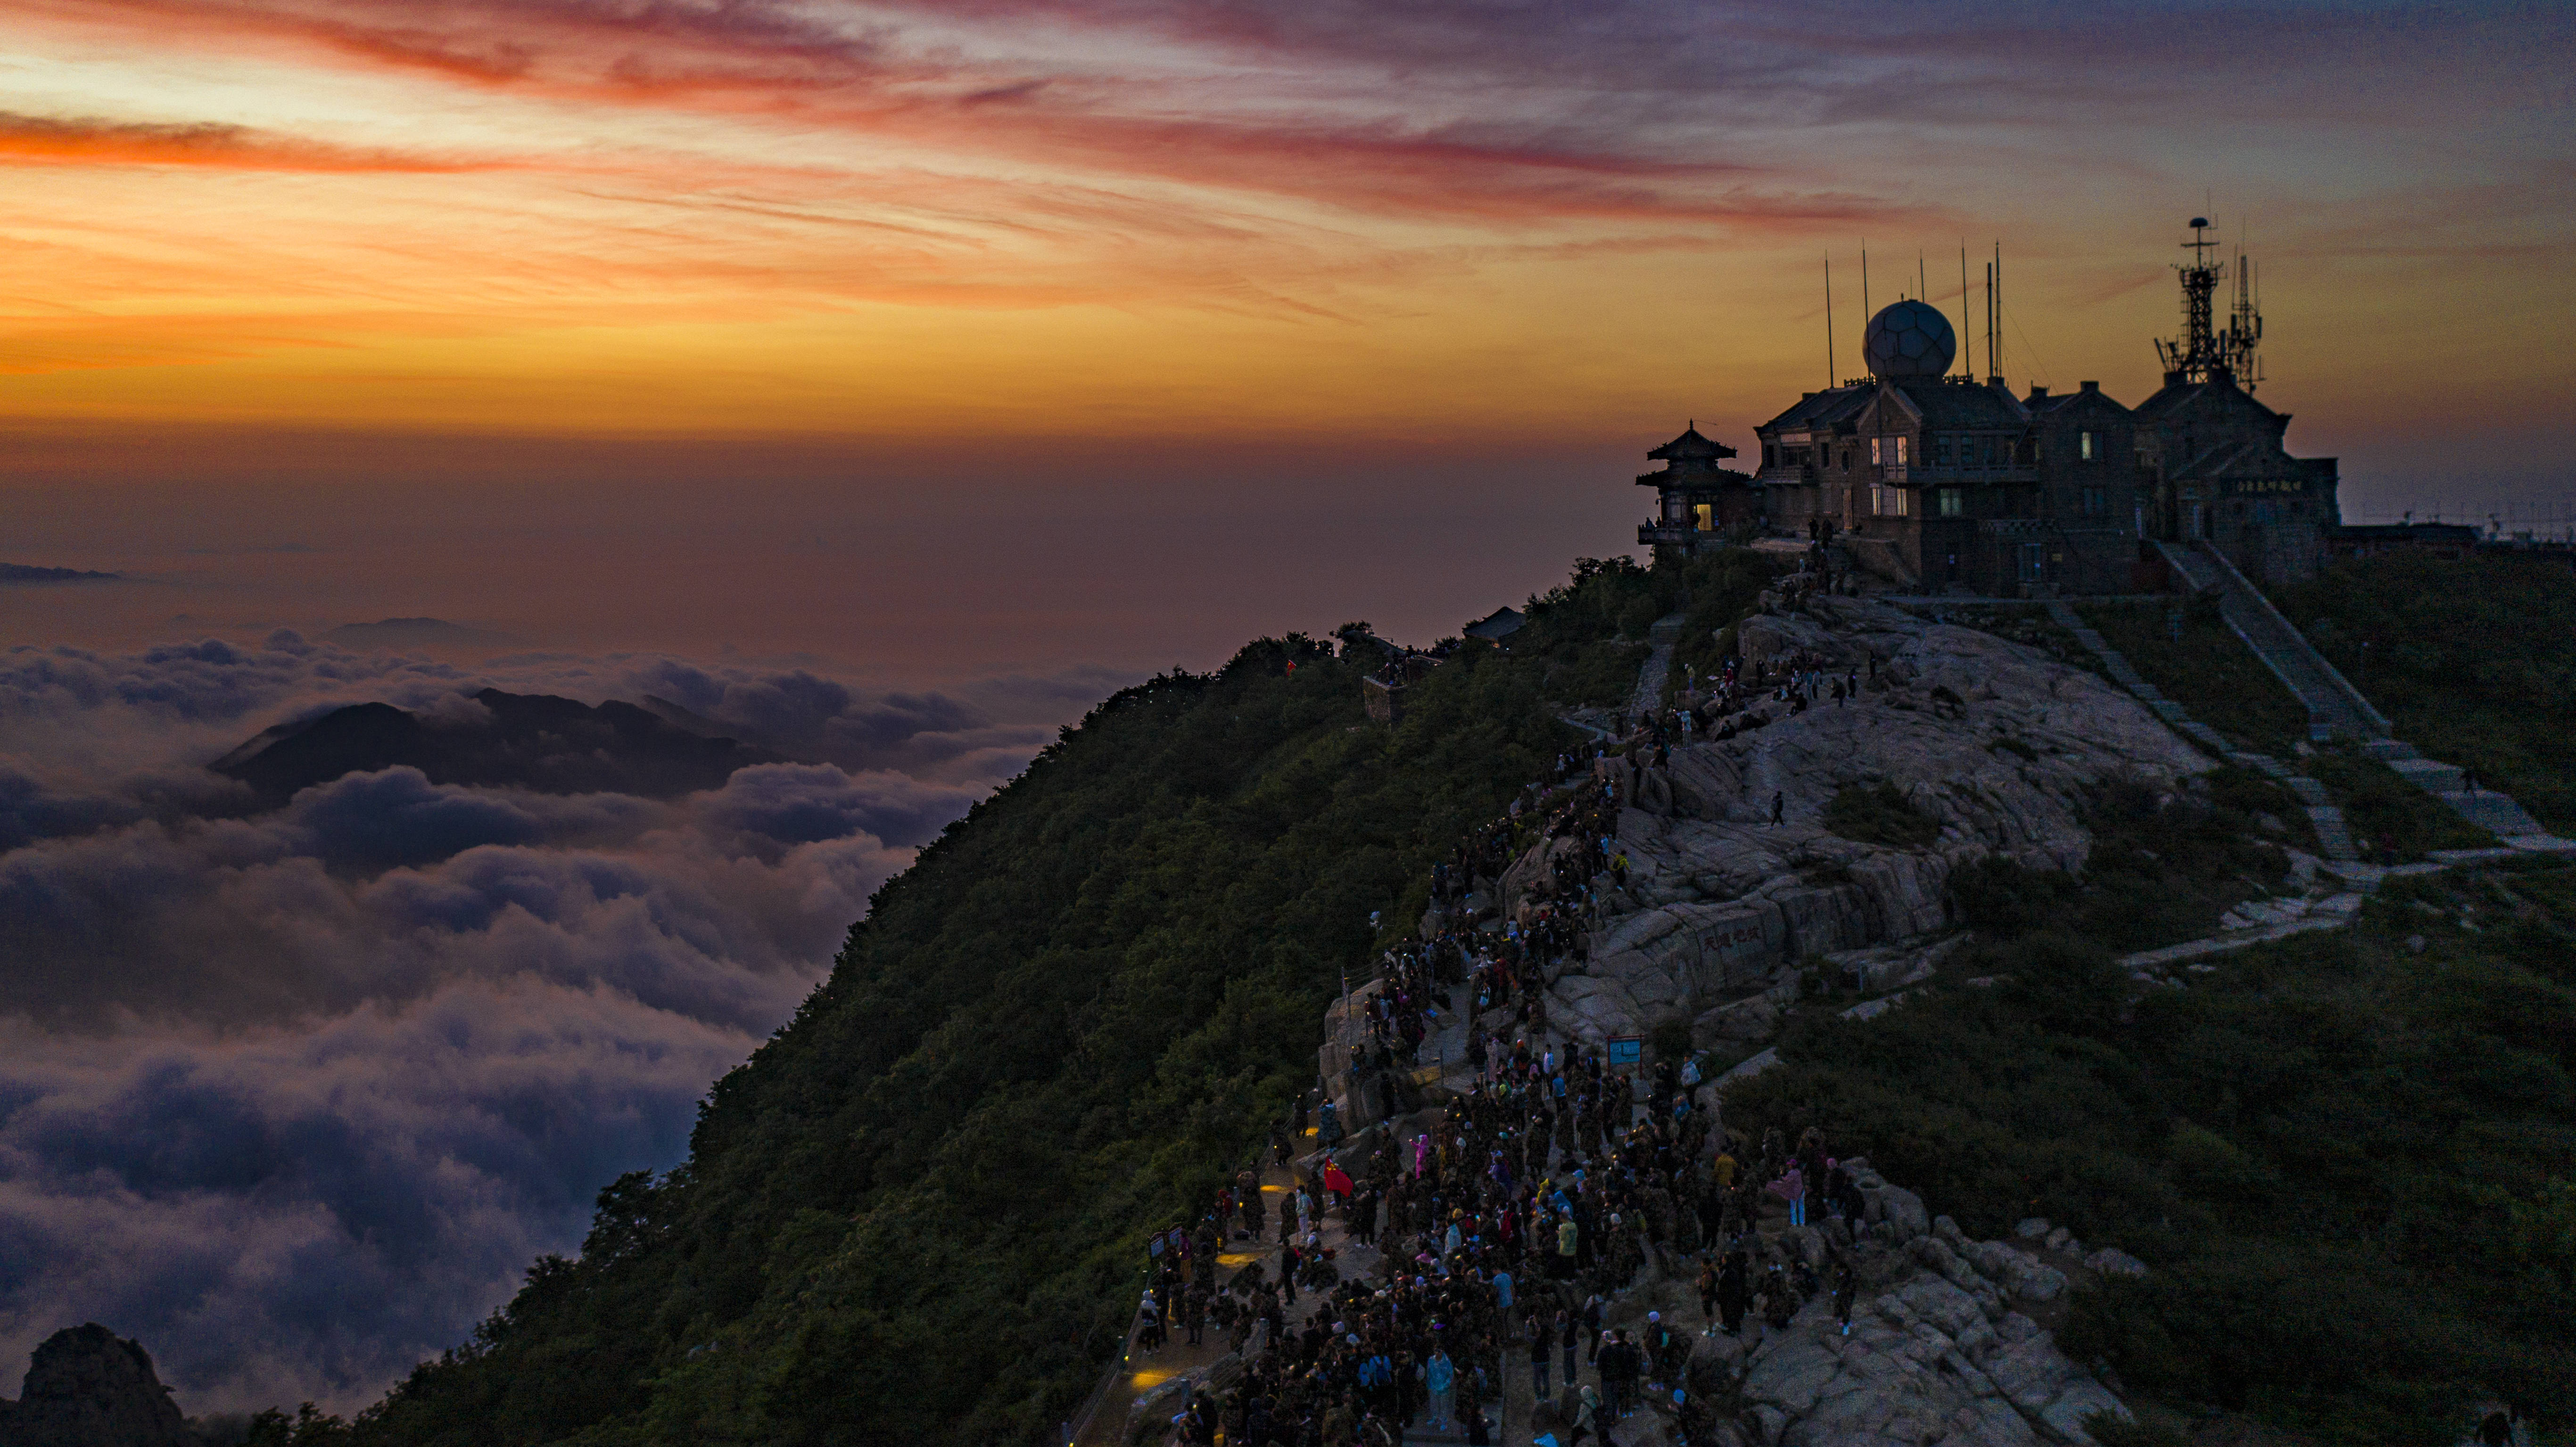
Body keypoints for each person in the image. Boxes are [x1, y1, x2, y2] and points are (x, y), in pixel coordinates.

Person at [1423, 1345, 1456, 1432]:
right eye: (1436, 1350)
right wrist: (1429, 1386)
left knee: (1443, 1406)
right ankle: (1435, 1418)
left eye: (1439, 1351)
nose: (1437, 1352)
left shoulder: (1447, 1362)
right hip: (1434, 1387)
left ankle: (1443, 1422)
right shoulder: (1431, 1360)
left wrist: (1446, 1385)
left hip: (1444, 1388)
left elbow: (1451, 1375)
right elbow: (1429, 1373)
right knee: (1433, 1404)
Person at [1528, 1310, 1555, 1401]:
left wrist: (1527, 1326)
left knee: (1537, 1379)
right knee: (1546, 1378)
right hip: (1546, 1357)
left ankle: (1539, 1396)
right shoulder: (1546, 1327)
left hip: (1537, 1359)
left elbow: (1528, 1337)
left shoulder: (1535, 1333)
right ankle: (1546, 1395)